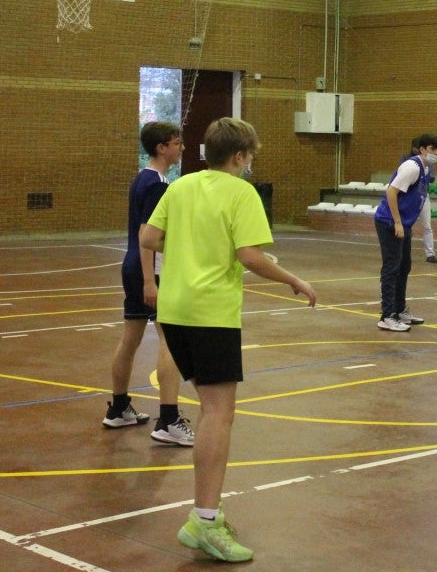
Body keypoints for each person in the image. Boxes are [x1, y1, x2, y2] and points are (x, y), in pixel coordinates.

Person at [140, 117, 317, 563]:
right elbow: (250, 256)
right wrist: (292, 279)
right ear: (239, 156)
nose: (250, 164)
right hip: (210, 314)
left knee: (208, 408)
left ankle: (207, 515)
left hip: (174, 311)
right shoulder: (242, 193)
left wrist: (193, 247)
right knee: (218, 413)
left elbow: (149, 237)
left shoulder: (180, 186)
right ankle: (203, 520)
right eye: (250, 156)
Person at [103, 122, 194, 446]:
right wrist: (149, 282)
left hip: (131, 267)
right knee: (169, 340)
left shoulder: (144, 178)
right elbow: (147, 237)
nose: (181, 148)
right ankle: (168, 420)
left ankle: (119, 408)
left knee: (130, 338)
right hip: (148, 271)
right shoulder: (156, 184)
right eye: (176, 143)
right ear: (161, 148)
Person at [375, 134, 437, 331]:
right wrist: (397, 221)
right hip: (389, 222)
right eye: (432, 149)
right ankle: (387, 315)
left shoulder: (426, 169)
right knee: (391, 268)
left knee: (404, 267)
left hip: (403, 224)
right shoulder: (412, 167)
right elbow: (391, 191)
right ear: (422, 149)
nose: (435, 153)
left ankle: (399, 309)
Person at [407, 136, 437, 264]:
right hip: (410, 196)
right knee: (406, 224)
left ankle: (430, 253)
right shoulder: (407, 160)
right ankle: (405, 250)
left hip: (423, 196)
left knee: (427, 225)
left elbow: (431, 177)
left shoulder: (428, 162)